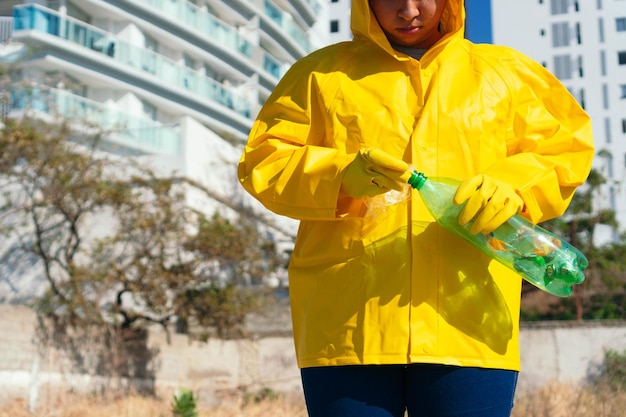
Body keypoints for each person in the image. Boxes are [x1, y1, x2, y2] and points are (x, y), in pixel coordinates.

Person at [238, 0, 595, 416]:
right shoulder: (320, 75)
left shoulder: (506, 74)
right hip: (348, 326)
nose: (408, 10)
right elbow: (264, 162)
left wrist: (515, 185)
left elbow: (564, 147)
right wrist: (338, 176)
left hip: (468, 324)